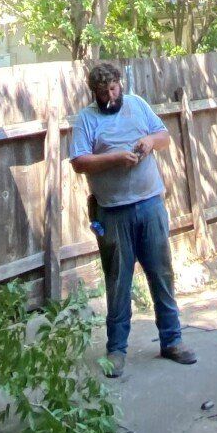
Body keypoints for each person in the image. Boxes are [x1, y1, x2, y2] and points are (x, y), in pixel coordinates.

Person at [68, 61, 199, 377]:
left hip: (150, 204)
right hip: (113, 212)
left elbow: (164, 136)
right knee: (118, 282)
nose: (110, 96)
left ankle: (172, 340)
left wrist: (150, 142)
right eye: (103, 92)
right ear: (94, 93)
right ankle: (116, 351)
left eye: (113, 89)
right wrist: (114, 158)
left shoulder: (138, 105)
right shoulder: (86, 120)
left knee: (162, 275)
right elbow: (79, 162)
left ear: (120, 85)